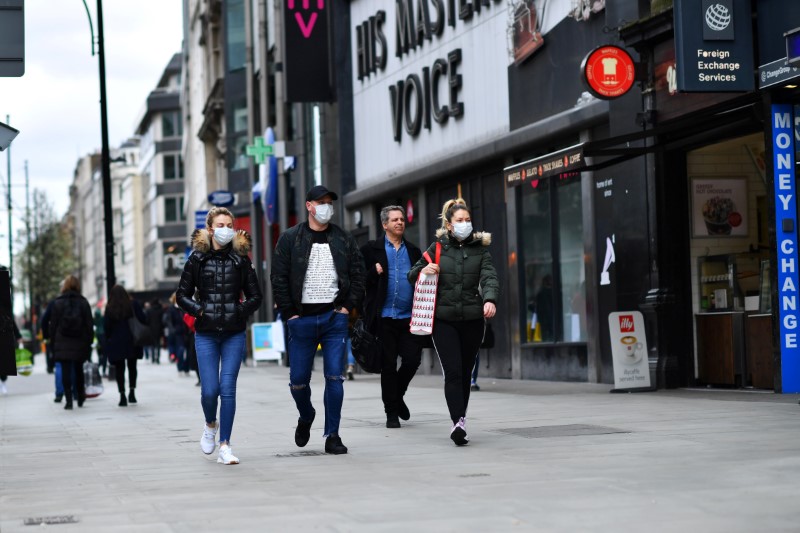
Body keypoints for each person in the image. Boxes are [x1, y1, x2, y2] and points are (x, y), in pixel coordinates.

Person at [271, 185, 365, 455]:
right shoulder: (290, 239)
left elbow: (358, 274)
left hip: (333, 319)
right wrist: (290, 313)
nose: (326, 207)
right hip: (301, 321)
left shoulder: (343, 239)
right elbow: (278, 277)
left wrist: (347, 307)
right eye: (321, 202)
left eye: (329, 202)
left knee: (334, 378)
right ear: (309, 205)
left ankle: (332, 435)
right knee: (298, 381)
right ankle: (306, 414)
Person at [408, 198, 499, 446]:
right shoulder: (437, 247)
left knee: (466, 371)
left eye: (468, 220)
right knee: (453, 371)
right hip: (443, 320)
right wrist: (424, 270)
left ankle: (461, 418)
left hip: (472, 319)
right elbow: (412, 274)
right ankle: (457, 422)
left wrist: (489, 299)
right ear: (449, 225)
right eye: (460, 221)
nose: (465, 224)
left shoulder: (481, 250)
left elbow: (490, 277)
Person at [176, 207, 262, 465]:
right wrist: (199, 310)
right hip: (206, 334)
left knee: (228, 389)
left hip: (234, 333)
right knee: (209, 390)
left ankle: (225, 444)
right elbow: (181, 295)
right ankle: (209, 424)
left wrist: (239, 310)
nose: (225, 229)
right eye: (220, 224)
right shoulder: (197, 259)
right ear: (211, 228)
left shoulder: (241, 259)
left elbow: (256, 296)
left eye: (229, 224)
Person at [360, 205, 424, 429]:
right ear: (384, 224)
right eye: (395, 219)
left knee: (413, 360)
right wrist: (372, 273)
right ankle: (391, 413)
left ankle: (397, 395)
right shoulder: (370, 249)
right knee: (388, 365)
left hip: (409, 317)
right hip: (384, 318)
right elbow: (357, 281)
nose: (400, 222)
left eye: (402, 219)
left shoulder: (414, 251)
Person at [42, 275, 94, 410]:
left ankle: (69, 400)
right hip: (79, 340)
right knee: (78, 370)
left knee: (65, 370)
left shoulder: (57, 303)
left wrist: (52, 341)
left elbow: (53, 325)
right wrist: (89, 341)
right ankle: (80, 396)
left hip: (63, 341)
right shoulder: (83, 302)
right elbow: (89, 324)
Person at [104, 286, 148, 407]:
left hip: (117, 342)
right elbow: (143, 319)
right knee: (132, 367)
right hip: (132, 340)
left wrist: (109, 339)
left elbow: (106, 327)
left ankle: (122, 395)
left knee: (120, 369)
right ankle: (132, 393)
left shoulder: (110, 308)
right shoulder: (133, 304)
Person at [164, 293, 188, 375]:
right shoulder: (171, 309)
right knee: (180, 351)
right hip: (176, 334)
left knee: (186, 352)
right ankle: (180, 367)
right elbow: (169, 321)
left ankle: (185, 368)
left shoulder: (183, 308)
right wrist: (173, 330)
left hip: (184, 333)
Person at [146, 299, 164, 363]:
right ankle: (158, 358)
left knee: (152, 345)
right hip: (159, 329)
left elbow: (147, 320)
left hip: (151, 329)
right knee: (158, 345)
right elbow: (163, 320)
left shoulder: (149, 310)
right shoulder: (161, 310)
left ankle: (153, 358)